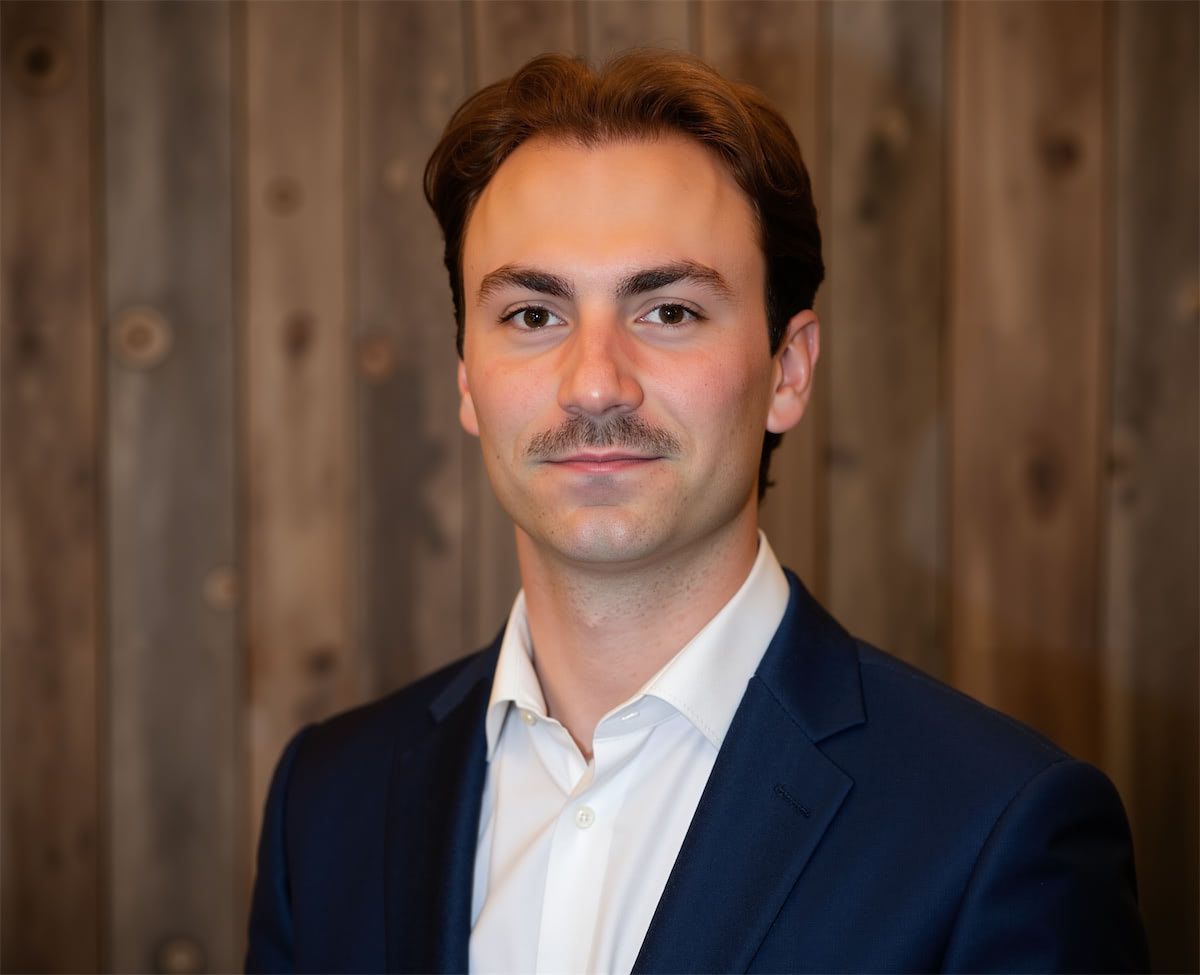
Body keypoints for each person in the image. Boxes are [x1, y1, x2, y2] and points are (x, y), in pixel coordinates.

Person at [245, 50, 1147, 974]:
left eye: (668, 311)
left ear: (787, 371)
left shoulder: (997, 829)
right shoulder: (326, 805)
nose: (594, 382)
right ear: (468, 379)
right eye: (532, 315)